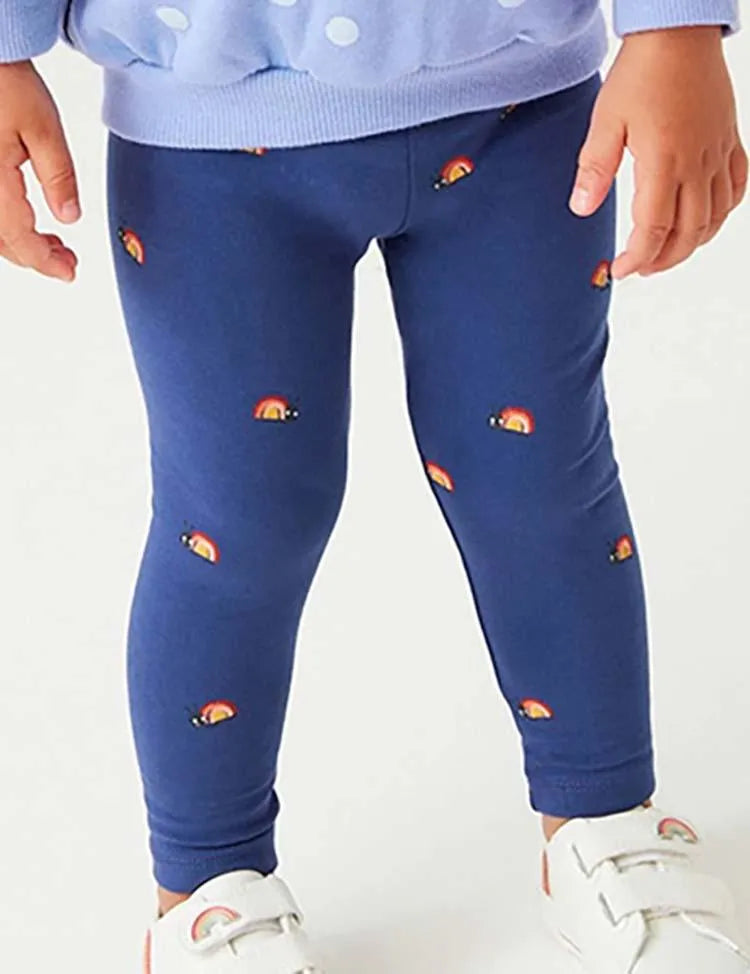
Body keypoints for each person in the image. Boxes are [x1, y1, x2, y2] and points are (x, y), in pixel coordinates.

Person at [0, 2, 747, 971]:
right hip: (207, 135)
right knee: (237, 519)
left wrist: (676, 22)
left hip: (518, 105)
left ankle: (604, 818)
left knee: (539, 482)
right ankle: (206, 888)